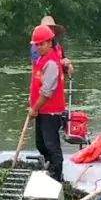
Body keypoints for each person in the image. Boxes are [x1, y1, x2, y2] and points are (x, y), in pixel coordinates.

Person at [28, 24, 66, 182]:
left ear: (50, 42)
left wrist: (34, 108)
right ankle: (50, 166)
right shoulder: (40, 60)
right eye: (37, 44)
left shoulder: (51, 63)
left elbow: (47, 92)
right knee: (40, 143)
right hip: (41, 110)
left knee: (51, 145)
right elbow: (36, 85)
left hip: (51, 111)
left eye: (41, 44)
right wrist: (32, 103)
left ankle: (57, 176)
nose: (39, 47)